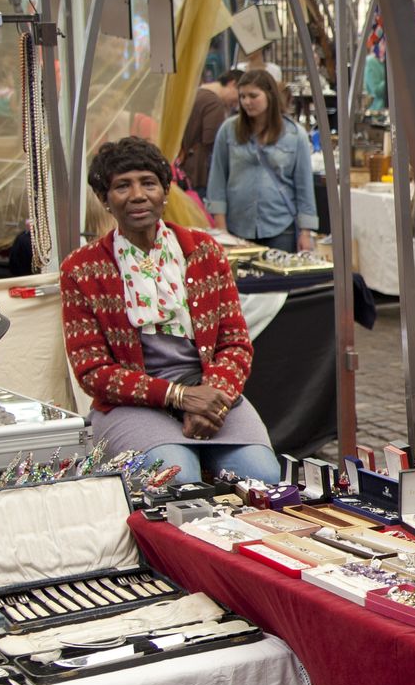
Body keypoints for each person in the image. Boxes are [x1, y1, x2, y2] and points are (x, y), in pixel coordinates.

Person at [61, 137, 280, 483]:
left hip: (209, 391)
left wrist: (214, 399)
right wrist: (179, 396)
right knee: (177, 477)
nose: (137, 195)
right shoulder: (82, 268)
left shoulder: (204, 251)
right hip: (131, 404)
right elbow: (93, 371)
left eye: (148, 183)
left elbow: (235, 342)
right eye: (122, 186)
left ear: (165, 191)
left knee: (262, 474)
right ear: (104, 199)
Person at [205, 68, 318, 252]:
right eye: (242, 96)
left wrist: (306, 232)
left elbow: (304, 186)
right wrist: (221, 228)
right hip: (236, 228)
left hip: (281, 228)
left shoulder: (294, 135)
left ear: (269, 95)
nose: (246, 102)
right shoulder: (228, 130)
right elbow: (217, 180)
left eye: (253, 96)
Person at [176, 72, 237, 191]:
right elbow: (213, 139)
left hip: (187, 167)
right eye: (241, 96)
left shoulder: (196, 94)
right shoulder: (213, 102)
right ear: (232, 84)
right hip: (202, 173)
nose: (236, 104)